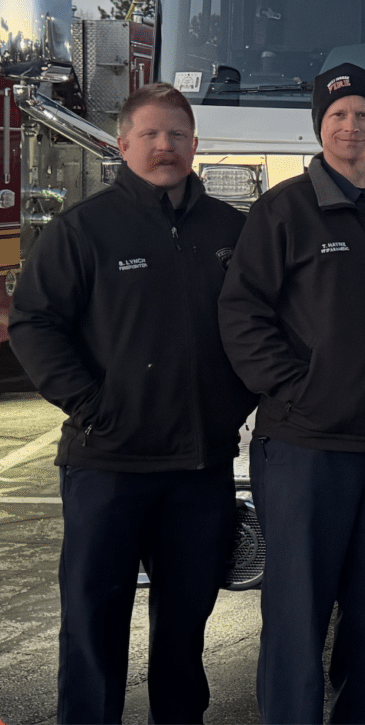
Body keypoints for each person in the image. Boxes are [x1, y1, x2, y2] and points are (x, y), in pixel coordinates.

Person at [9, 83, 255, 725]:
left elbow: (264, 325)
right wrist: (92, 405)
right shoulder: (84, 230)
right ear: (122, 145)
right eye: (149, 134)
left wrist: (234, 405)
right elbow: (34, 323)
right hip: (106, 467)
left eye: (176, 134)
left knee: (184, 633)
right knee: (94, 629)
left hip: (198, 472)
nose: (164, 145)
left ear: (196, 145)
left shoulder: (234, 232)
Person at [217, 62, 365, 725]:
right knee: (296, 620)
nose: (351, 126)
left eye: (363, 115)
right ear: (320, 124)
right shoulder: (282, 211)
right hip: (306, 450)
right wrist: (298, 389)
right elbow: (242, 314)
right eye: (338, 114)